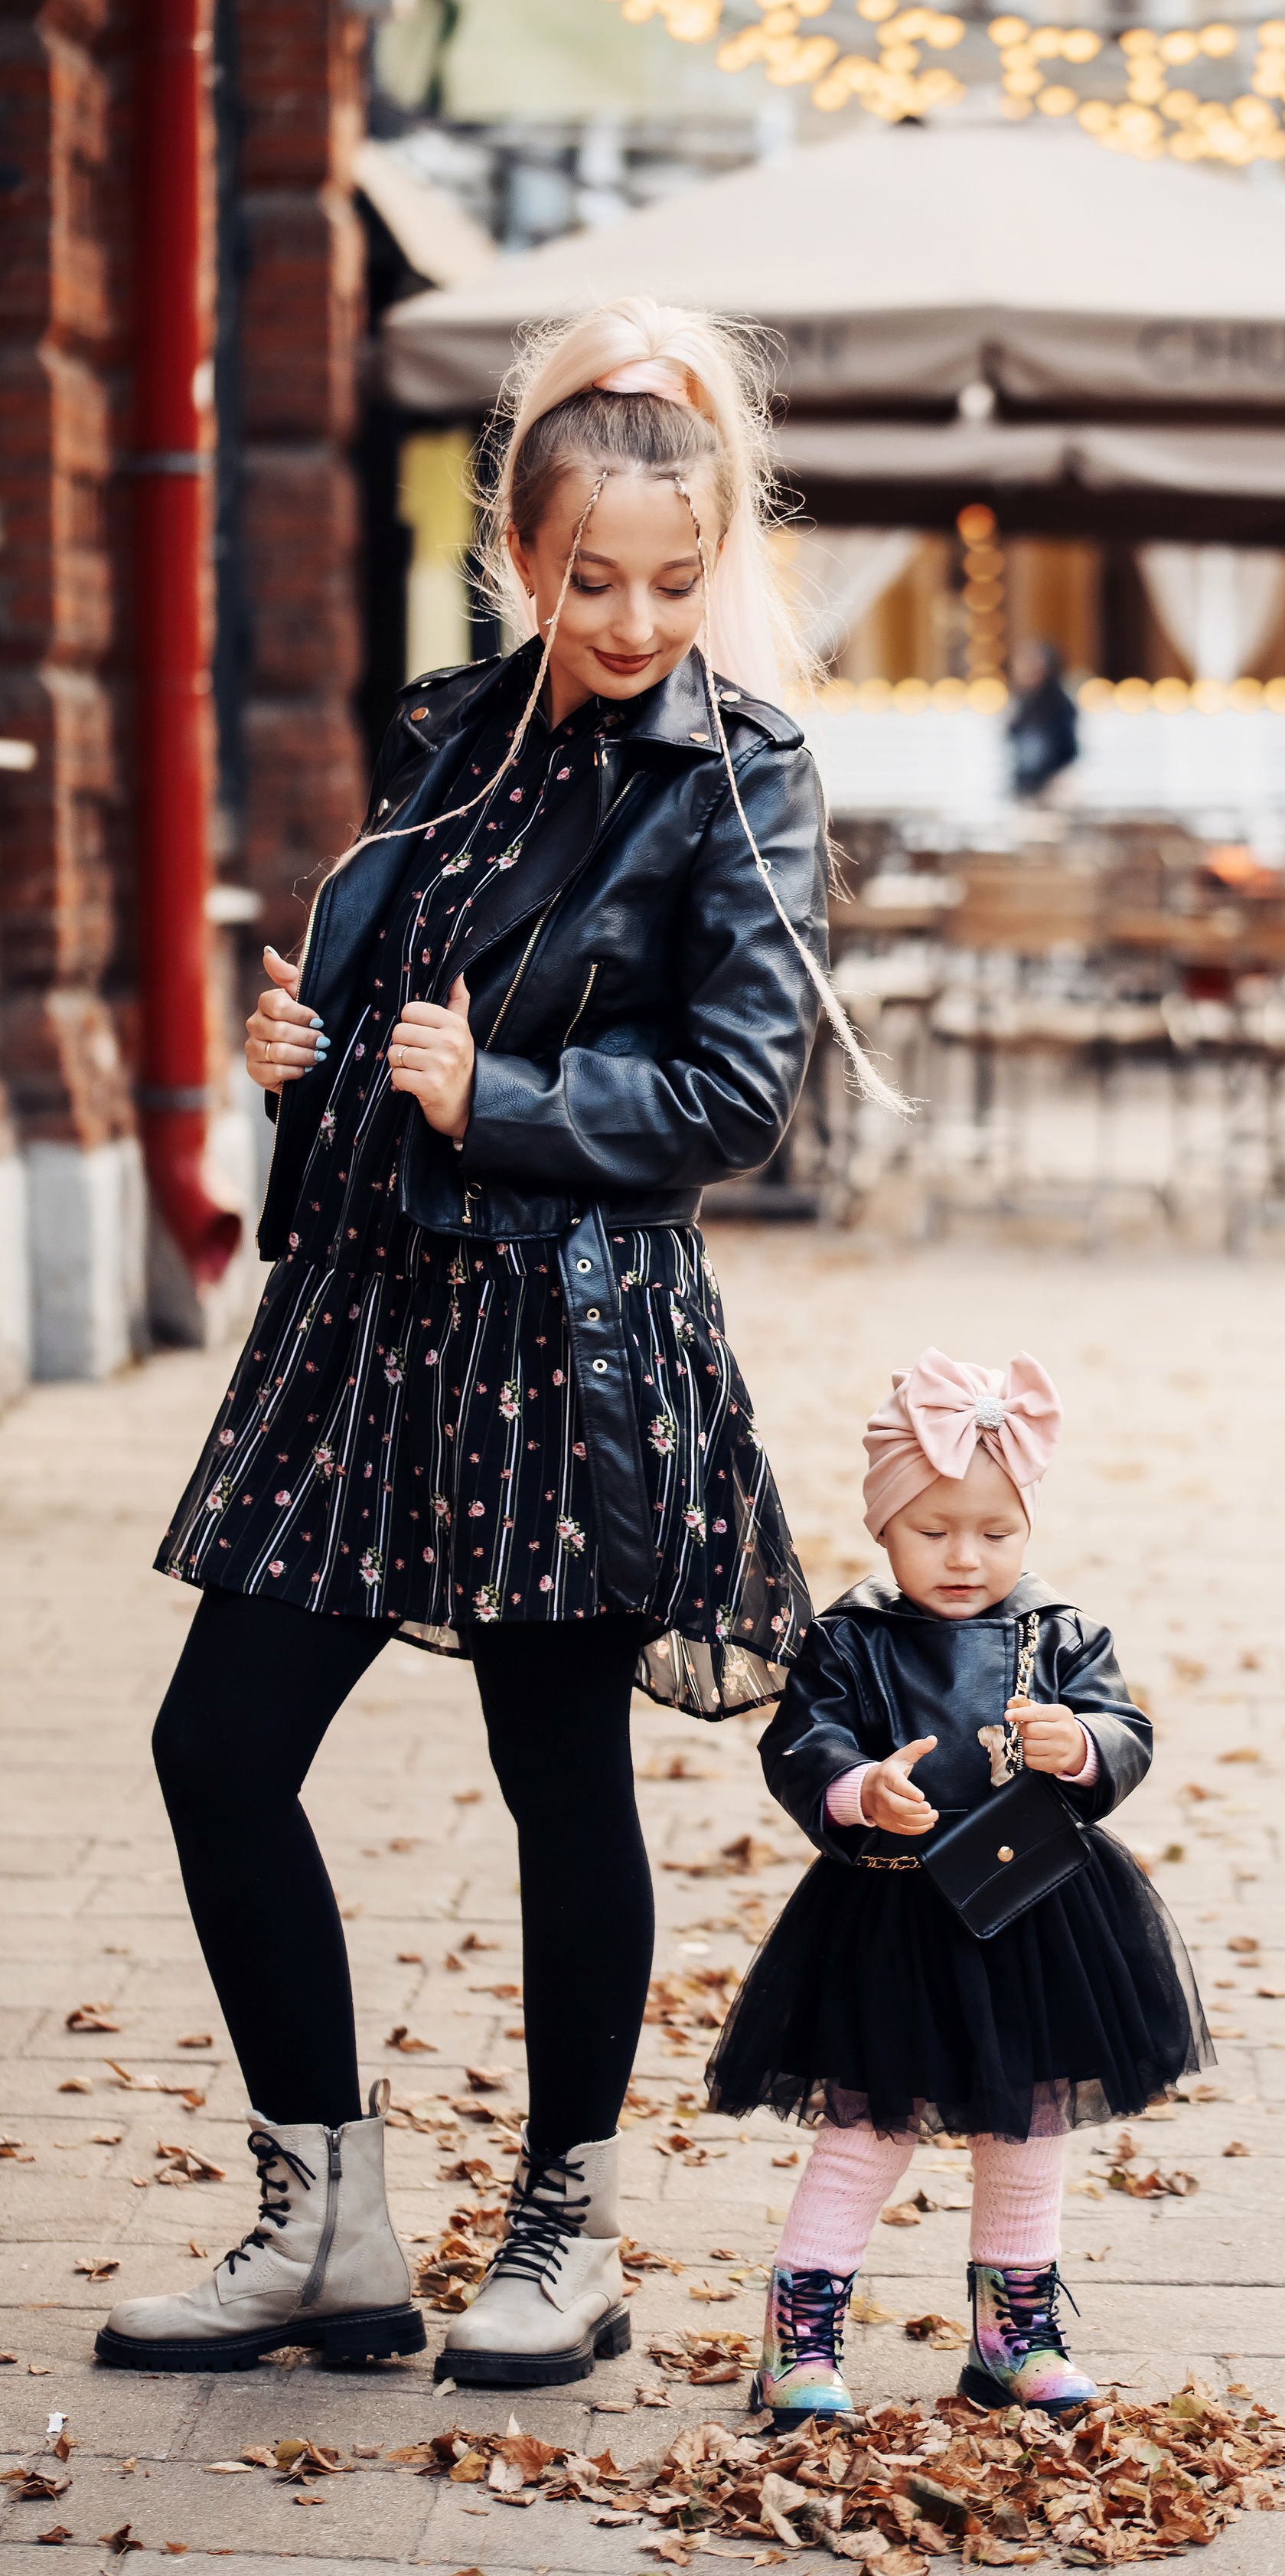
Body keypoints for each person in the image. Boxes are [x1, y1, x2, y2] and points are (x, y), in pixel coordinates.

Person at [99, 296, 896, 2390]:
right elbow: (400, 1000)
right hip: (365, 1325)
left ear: (713, 558)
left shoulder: (745, 774)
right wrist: (311, 1054)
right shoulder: (448, 735)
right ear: (518, 554)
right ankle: (326, 2210)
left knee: (561, 1781)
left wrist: (503, 1102)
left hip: (570, 1340)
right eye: (585, 574)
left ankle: (570, 2216)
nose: (629, 616)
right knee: (215, 1746)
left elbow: (735, 1096)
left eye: (668, 577)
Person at [703, 1350, 1212, 2427]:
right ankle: (801, 2330)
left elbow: (1127, 1731)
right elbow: (805, 1740)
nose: (967, 1555)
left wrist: (1079, 1743)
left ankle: (1012, 2329)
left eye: (996, 1529)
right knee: (868, 2122)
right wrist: (858, 1787)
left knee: (1027, 2121)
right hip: (890, 1912)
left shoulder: (1060, 1629)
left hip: (1033, 1910)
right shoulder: (851, 1637)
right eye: (933, 1529)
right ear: (885, 1525)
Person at [1006, 639, 1079, 799]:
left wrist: (1055, 783)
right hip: (1025, 785)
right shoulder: (1022, 702)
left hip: (1051, 788)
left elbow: (1069, 749)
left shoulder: (1059, 705)